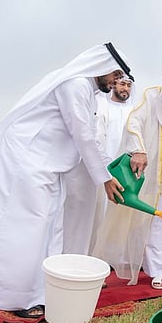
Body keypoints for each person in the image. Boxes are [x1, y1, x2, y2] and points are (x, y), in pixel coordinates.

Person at [0, 43, 133, 317]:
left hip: (45, 166)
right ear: (101, 66)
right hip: (28, 161)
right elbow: (81, 134)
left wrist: (109, 172)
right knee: (26, 228)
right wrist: (103, 178)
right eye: (115, 74)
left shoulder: (87, 92)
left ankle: (38, 293)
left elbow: (90, 136)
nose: (117, 81)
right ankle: (15, 298)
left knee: (45, 229)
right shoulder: (75, 85)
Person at [92, 63, 162, 290]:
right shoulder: (152, 97)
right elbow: (134, 123)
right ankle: (159, 270)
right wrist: (139, 149)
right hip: (153, 175)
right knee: (155, 220)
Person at [62, 76, 135, 256]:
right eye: (121, 83)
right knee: (94, 216)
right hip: (98, 169)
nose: (125, 88)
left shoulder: (134, 111)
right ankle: (92, 257)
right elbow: (91, 139)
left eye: (128, 84)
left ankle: (116, 258)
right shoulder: (100, 105)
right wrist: (105, 173)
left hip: (120, 171)